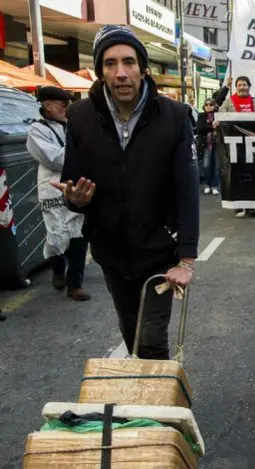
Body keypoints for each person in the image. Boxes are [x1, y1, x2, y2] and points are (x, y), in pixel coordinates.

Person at [55, 25, 199, 359]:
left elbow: (188, 191)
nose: (121, 73)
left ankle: (157, 408)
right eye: (110, 63)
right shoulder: (79, 116)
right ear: (100, 70)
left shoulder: (175, 117)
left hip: (159, 248)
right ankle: (143, 399)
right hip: (110, 249)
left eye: (129, 62)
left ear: (143, 67)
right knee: (130, 328)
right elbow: (71, 184)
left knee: (151, 338)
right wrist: (74, 201)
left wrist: (187, 259)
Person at [26, 86, 90, 301]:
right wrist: (80, 154)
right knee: (57, 235)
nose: (66, 109)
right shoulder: (37, 130)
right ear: (48, 106)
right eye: (63, 105)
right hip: (52, 190)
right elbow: (52, 158)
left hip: (75, 187)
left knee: (79, 235)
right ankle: (57, 269)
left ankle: (75, 284)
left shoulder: (72, 126)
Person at [217, 76, 255, 218]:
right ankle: (238, 205)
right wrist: (217, 122)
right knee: (237, 174)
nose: (242, 87)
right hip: (235, 144)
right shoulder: (228, 102)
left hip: (253, 144)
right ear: (236, 87)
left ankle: (251, 206)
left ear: (249, 87)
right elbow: (219, 115)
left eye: (245, 85)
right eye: (239, 85)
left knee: (252, 175)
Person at [196, 98, 220, 195]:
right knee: (206, 165)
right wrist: (212, 127)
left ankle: (215, 185)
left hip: (218, 144)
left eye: (210, 104)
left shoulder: (218, 116)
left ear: (214, 106)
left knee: (216, 167)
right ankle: (207, 184)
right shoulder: (201, 116)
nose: (208, 106)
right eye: (206, 105)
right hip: (206, 145)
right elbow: (200, 129)